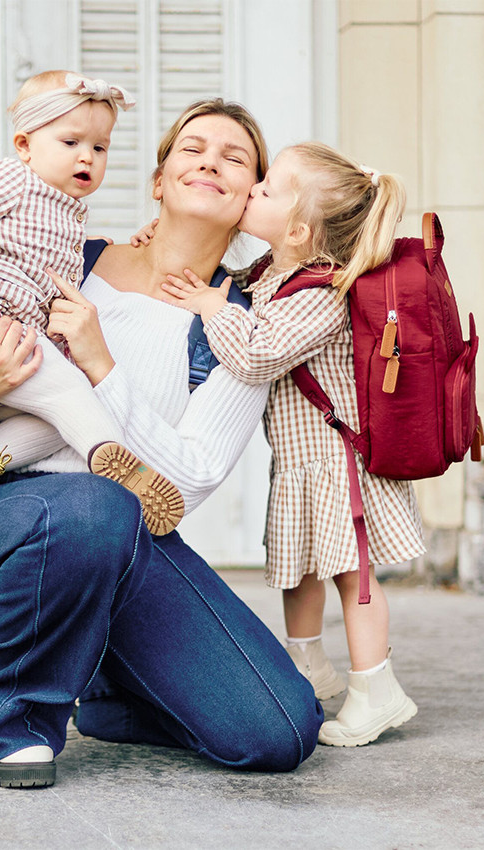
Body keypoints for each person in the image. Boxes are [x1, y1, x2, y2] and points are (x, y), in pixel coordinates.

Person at [0, 99, 324, 788]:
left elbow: (189, 482)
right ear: (160, 179)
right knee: (92, 504)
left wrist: (101, 364)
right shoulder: (64, 259)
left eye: (235, 158)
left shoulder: (235, 327)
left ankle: (104, 684)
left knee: (281, 731)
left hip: (130, 542)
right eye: (192, 148)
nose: (210, 162)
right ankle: (8, 723)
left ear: (251, 199)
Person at [161, 142, 425, 747]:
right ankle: (308, 663)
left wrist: (208, 305)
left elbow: (255, 356)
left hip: (341, 466)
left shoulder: (320, 295)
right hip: (301, 464)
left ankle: (376, 689)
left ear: (301, 230)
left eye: (268, 189)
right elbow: (238, 290)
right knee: (297, 568)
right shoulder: (272, 274)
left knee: (352, 578)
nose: (252, 188)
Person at [0, 69, 183, 535]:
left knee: (55, 419)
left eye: (99, 148)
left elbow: (59, 255)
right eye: (71, 143)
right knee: (74, 394)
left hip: (10, 338)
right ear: (25, 146)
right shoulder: (12, 179)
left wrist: (135, 239)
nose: (87, 156)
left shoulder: (67, 211)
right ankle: (118, 465)